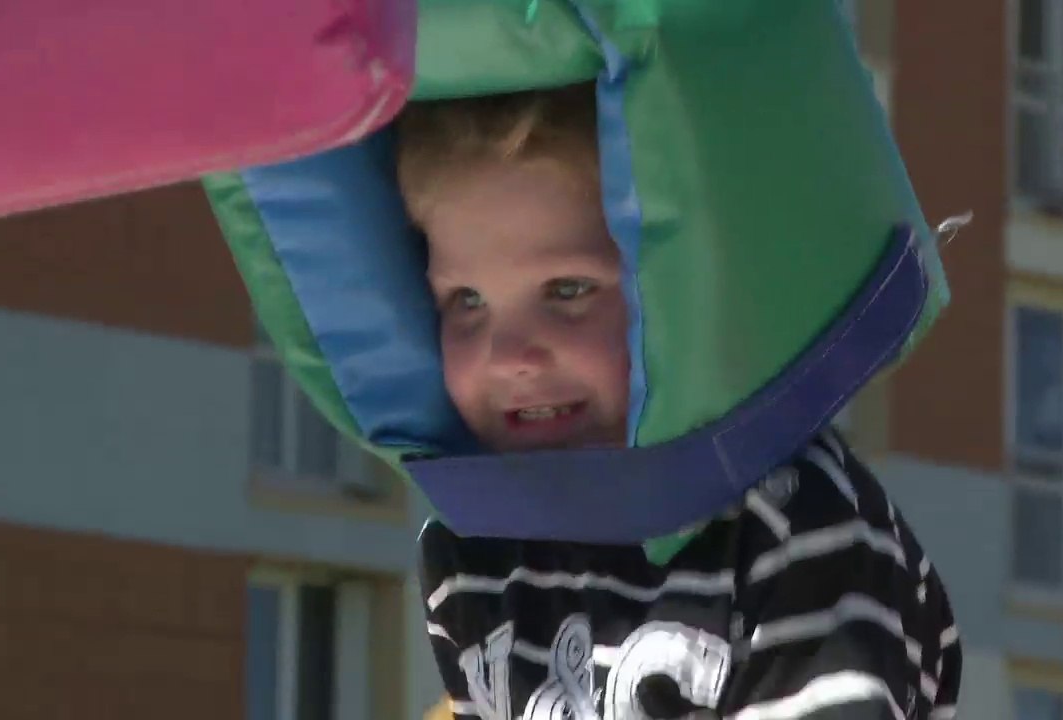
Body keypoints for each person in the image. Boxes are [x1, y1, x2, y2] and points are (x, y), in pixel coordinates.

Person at [397, 83, 962, 720]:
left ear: (692, 289)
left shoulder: (795, 522)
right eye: (467, 301)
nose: (511, 357)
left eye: (568, 289)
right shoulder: (468, 551)